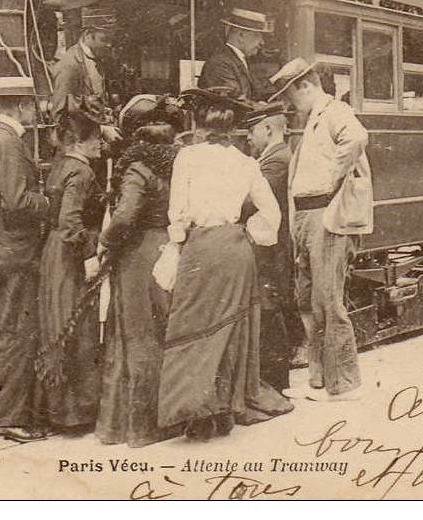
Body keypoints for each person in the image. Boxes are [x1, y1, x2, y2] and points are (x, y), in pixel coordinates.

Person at [158, 88, 293, 441]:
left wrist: (176, 240)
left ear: (200, 124)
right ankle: (225, 409)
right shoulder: (246, 163)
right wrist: (249, 232)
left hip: (201, 248)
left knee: (193, 330)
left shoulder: (186, 158)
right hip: (235, 250)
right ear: (232, 126)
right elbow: (271, 214)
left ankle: (197, 414)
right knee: (230, 331)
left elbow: (177, 214)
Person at [269, 58, 372, 403]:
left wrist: (331, 180)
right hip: (309, 219)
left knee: (328, 301)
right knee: (309, 301)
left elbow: (357, 138)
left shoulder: (335, 112)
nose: (287, 104)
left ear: (305, 86)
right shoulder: (315, 117)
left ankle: (343, 383)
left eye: (290, 95)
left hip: (327, 218)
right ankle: (317, 379)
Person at [0, 77, 52, 443]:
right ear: (20, 107)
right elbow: (17, 202)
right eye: (33, 105)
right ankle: (9, 418)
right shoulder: (11, 146)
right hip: (13, 254)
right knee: (16, 333)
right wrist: (48, 201)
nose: (36, 111)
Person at [96, 95, 183, 447]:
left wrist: (105, 243)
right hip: (168, 248)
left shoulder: (136, 168)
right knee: (161, 331)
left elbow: (125, 216)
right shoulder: (177, 163)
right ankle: (166, 419)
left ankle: (135, 427)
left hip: (138, 255)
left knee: (134, 336)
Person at [37, 97, 107, 432]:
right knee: (77, 327)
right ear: (80, 142)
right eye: (96, 140)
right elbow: (70, 221)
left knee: (57, 323)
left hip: (54, 253)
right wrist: (89, 255)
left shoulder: (60, 164)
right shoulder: (81, 171)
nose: (101, 145)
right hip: (70, 256)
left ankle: (56, 410)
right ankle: (75, 414)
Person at [244, 102, 304, 392]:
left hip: (274, 248)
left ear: (268, 128)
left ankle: (276, 377)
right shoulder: (274, 156)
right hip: (271, 245)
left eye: (251, 130)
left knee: (271, 307)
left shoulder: (277, 160)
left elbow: (250, 201)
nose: (247, 137)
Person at [50, 7, 122, 144]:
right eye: (104, 39)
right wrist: (100, 130)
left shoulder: (97, 59)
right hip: (77, 147)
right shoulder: (70, 66)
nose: (109, 45)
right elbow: (60, 116)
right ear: (88, 34)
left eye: (111, 40)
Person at [198, 8, 273, 101]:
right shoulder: (220, 63)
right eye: (257, 36)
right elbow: (233, 101)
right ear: (240, 35)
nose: (262, 42)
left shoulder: (240, 60)